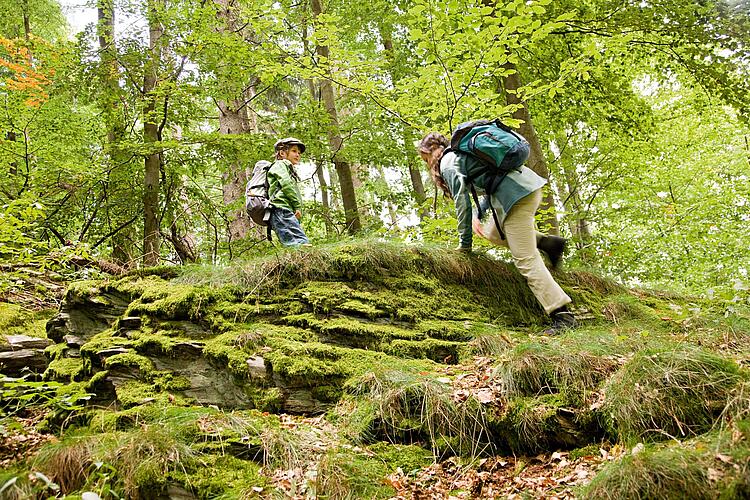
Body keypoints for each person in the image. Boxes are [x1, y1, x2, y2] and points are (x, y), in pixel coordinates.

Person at [418, 132, 576, 335]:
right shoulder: (460, 156)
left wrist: (465, 246)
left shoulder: (448, 161)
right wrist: (479, 214)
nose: (428, 164)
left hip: (517, 196)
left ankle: (563, 315)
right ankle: (549, 244)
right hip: (521, 189)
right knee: (492, 232)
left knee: (526, 259)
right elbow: (492, 183)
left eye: (426, 158)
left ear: (433, 151)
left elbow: (461, 202)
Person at [267, 137, 310, 246]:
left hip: (285, 210)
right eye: (294, 151)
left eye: (299, 153)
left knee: (295, 243)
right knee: (300, 242)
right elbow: (286, 184)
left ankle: (299, 261)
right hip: (281, 209)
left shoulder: (288, 169)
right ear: (282, 153)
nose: (298, 155)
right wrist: (297, 206)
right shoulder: (280, 165)